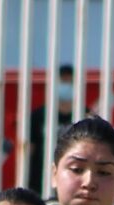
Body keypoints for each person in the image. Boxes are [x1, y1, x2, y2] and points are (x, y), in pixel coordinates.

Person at [24, 65, 78, 195]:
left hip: (73, 178)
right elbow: (30, 149)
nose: (66, 85)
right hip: (41, 178)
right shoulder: (39, 115)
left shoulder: (84, 115)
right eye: (63, 81)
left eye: (69, 82)